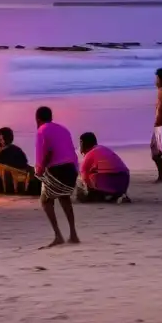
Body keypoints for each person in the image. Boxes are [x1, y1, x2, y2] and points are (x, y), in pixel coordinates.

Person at [34, 106, 80, 248]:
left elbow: (45, 152)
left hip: (58, 170)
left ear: (38, 119)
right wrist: (76, 171)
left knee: (45, 200)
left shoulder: (41, 130)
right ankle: (73, 233)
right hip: (71, 170)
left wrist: (40, 169)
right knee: (64, 197)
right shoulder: (63, 129)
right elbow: (72, 151)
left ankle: (58, 235)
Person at [78, 132, 131, 203]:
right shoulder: (103, 149)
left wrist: (87, 190)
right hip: (124, 179)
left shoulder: (89, 154)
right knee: (96, 171)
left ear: (82, 143)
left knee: (88, 175)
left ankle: (102, 195)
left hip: (108, 180)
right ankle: (117, 195)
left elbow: (83, 173)